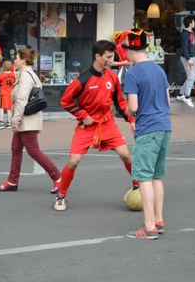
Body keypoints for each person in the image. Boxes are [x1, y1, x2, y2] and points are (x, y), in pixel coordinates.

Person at [53, 40, 136, 212]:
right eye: (108, 57)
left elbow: (120, 103)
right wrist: (83, 115)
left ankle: (137, 186)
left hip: (107, 123)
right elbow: (65, 101)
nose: (111, 60)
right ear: (97, 56)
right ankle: (61, 195)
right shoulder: (83, 79)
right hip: (87, 127)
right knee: (73, 161)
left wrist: (131, 120)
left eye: (112, 56)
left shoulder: (112, 77)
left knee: (126, 155)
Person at [123, 29, 172, 240]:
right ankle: (159, 220)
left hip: (147, 129)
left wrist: (127, 109)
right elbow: (168, 102)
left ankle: (149, 226)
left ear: (130, 51)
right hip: (164, 126)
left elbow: (133, 107)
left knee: (143, 178)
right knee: (157, 177)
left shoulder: (132, 73)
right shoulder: (159, 70)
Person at [0, 47, 61, 193]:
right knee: (16, 149)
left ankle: (58, 178)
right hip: (27, 118)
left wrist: (15, 121)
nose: (14, 61)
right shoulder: (28, 74)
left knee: (33, 151)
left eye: (17, 58)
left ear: (24, 60)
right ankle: (12, 181)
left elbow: (21, 100)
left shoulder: (25, 76)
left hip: (27, 119)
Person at [176, 16, 195, 108]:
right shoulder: (185, 34)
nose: (194, 23)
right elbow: (184, 48)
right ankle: (187, 96)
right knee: (191, 78)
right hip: (187, 58)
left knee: (190, 77)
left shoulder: (191, 32)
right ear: (190, 23)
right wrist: (188, 59)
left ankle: (181, 95)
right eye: (193, 21)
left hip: (191, 57)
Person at [0, 60, 16, 129]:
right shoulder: (13, 75)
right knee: (9, 109)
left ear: (3, 67)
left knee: (1, 108)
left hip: (3, 94)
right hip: (11, 94)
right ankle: (9, 123)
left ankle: (1, 122)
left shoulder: (2, 75)